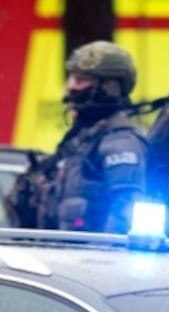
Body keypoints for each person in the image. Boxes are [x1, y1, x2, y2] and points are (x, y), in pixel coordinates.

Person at [25, 40, 148, 233]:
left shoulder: (120, 142)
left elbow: (125, 214)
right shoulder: (80, 142)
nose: (71, 87)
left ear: (111, 87)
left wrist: (105, 261)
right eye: (71, 78)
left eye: (81, 80)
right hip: (63, 258)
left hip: (95, 260)